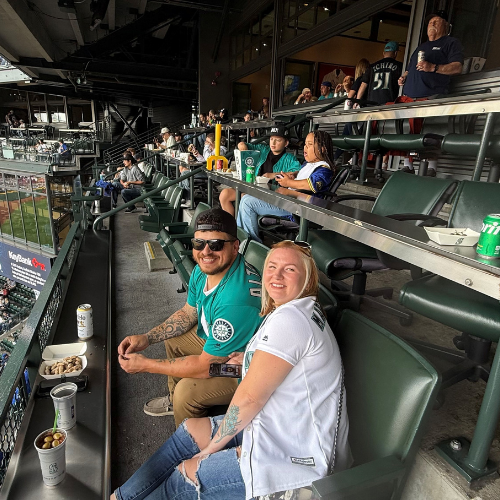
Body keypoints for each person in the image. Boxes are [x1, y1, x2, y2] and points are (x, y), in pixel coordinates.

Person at [112, 240, 351, 500]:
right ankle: (119, 498)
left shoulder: (290, 320)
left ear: (307, 278)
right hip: (279, 426)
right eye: (272, 266)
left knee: (185, 476)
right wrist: (249, 358)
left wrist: (208, 452)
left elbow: (249, 399)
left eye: (290, 269)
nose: (277, 275)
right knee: (189, 432)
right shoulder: (299, 308)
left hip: (297, 460)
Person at [117, 208, 263, 426]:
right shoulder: (203, 270)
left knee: (187, 391)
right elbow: (188, 313)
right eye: (199, 243)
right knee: (174, 339)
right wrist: (147, 337)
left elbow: (205, 367)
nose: (206, 252)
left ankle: (189, 439)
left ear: (235, 247)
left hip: (246, 368)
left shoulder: (236, 299)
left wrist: (146, 365)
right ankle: (175, 402)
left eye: (216, 244)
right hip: (223, 347)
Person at [237, 130, 335, 243]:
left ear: (322, 149)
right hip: (289, 203)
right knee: (245, 197)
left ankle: (251, 243)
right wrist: (294, 176)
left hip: (298, 210)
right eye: (305, 144)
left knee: (248, 202)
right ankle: (242, 240)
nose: (305, 147)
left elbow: (312, 184)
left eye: (310, 144)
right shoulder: (308, 164)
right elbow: (301, 177)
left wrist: (288, 184)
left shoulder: (324, 169)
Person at [398, 12, 463, 176]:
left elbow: (457, 67)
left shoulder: (450, 43)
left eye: (436, 21)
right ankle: (408, 165)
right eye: (430, 22)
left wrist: (433, 67)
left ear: (446, 25)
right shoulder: (420, 47)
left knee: (431, 131)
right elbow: (410, 68)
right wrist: (404, 77)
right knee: (408, 131)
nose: (432, 24)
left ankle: (431, 168)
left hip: (432, 96)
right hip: (410, 96)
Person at [219, 125, 301, 216]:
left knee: (244, 196)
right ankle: (230, 223)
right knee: (224, 194)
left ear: (286, 143)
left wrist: (273, 175)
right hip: (253, 187)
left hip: (271, 193)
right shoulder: (263, 149)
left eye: (278, 140)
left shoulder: (289, 158)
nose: (273, 143)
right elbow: (243, 144)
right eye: (271, 139)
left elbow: (297, 172)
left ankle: (240, 223)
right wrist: (242, 147)